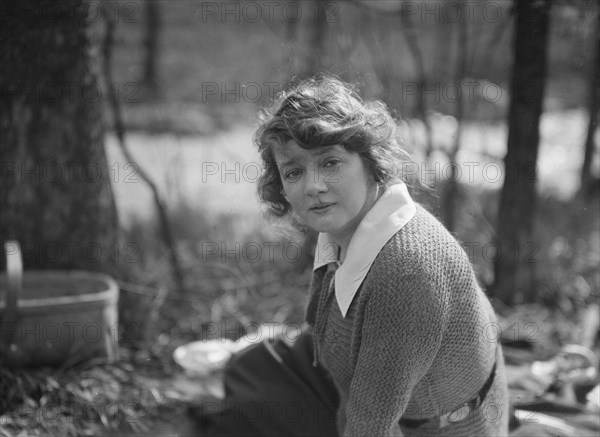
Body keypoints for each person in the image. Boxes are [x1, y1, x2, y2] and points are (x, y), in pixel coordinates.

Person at [253, 75, 510, 437]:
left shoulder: (405, 271)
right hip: (373, 406)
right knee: (250, 373)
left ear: (369, 160)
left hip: (441, 431)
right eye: (293, 171)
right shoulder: (344, 227)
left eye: (330, 163)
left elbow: (370, 426)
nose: (313, 186)